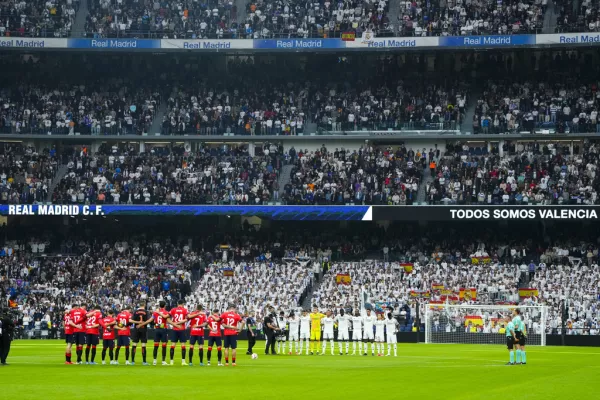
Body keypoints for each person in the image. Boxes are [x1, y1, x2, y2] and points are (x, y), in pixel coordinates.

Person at [169, 299, 189, 366]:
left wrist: (174, 324)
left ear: (177, 304)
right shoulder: (185, 310)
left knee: (173, 345)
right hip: (181, 329)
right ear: (182, 304)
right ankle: (183, 361)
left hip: (175, 329)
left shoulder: (173, 309)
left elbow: (167, 318)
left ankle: (171, 361)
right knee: (183, 345)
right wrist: (179, 323)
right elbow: (187, 318)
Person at [152, 301, 170, 365]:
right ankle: (163, 361)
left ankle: (154, 360)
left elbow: (153, 320)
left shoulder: (155, 312)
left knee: (156, 345)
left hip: (157, 329)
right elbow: (168, 320)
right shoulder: (166, 312)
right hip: (163, 329)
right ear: (165, 305)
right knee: (164, 345)